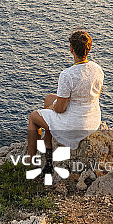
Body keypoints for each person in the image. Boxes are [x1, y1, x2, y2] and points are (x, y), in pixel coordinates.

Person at [27, 29, 104, 173]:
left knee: (33, 116)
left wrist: (51, 108)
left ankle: (31, 162)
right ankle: (47, 144)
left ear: (71, 49)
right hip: (92, 120)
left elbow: (60, 108)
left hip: (74, 125)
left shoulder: (67, 75)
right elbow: (95, 96)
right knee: (49, 97)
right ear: (89, 48)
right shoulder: (97, 69)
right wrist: (52, 104)